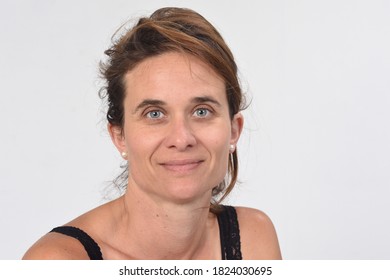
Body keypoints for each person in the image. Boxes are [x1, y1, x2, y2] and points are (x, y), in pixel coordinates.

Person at [23, 7, 281, 260]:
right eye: (154, 113)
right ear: (119, 136)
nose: (181, 139)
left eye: (202, 111)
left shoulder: (253, 237)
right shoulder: (58, 261)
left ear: (234, 130)